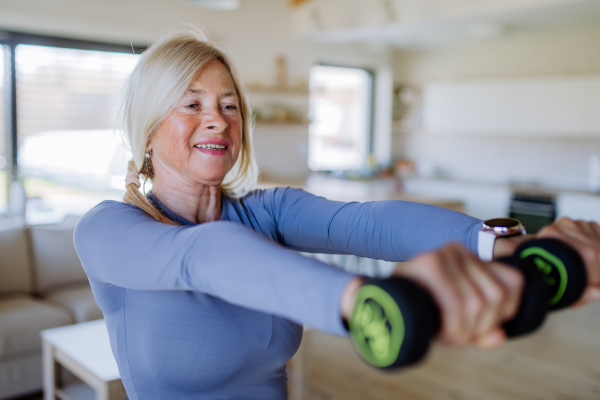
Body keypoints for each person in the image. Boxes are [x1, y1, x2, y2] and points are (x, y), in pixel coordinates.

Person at [73, 26, 600, 400]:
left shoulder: (265, 212)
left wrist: (503, 244)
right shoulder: (108, 230)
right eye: (192, 105)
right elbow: (199, 256)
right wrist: (364, 304)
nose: (218, 121)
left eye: (229, 105)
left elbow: (365, 223)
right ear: (147, 130)